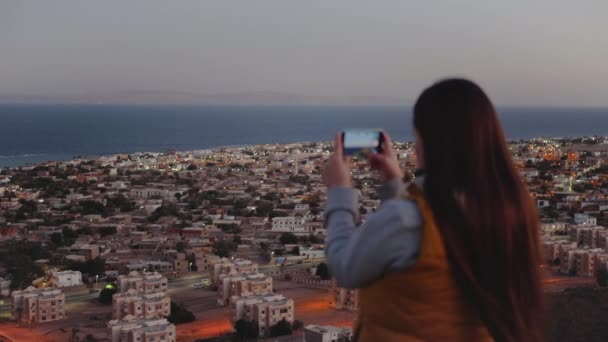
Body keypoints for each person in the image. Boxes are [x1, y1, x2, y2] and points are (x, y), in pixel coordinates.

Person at [323, 78, 543, 342]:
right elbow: (439, 230)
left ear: (427, 139)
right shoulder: (510, 212)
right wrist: (396, 186)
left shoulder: (405, 219)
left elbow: (345, 265)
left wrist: (339, 192)